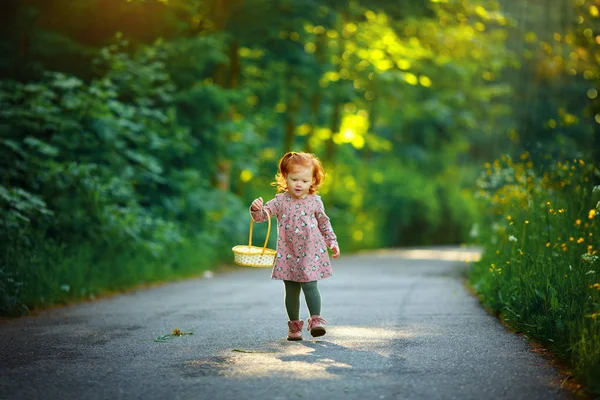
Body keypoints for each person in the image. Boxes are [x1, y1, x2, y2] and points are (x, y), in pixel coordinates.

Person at [250, 151, 340, 341]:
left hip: (311, 252)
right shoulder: (280, 201)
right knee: (291, 290)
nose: (299, 184)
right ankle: (294, 326)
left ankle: (316, 321)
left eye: (305, 181)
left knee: (309, 285)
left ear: (313, 181)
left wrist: (331, 241)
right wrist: (255, 209)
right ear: (285, 178)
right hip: (288, 253)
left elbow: (324, 223)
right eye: (294, 179)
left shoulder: (315, 201)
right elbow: (261, 217)